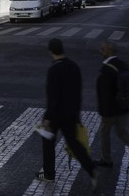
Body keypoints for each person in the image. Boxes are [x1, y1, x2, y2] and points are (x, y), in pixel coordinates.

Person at [35, 37, 97, 190]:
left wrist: (47, 118)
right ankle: (92, 169)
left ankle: (49, 174)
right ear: (62, 49)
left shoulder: (54, 69)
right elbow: (78, 93)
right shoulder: (74, 66)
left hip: (56, 115)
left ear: (50, 51)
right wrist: (77, 116)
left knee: (47, 141)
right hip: (71, 114)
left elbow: (53, 97)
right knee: (74, 144)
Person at [94, 41, 129, 170]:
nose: (101, 51)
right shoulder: (123, 64)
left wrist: (103, 112)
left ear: (108, 51)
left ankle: (106, 159)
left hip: (111, 110)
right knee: (123, 134)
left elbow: (105, 94)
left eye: (103, 49)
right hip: (124, 107)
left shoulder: (107, 69)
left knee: (104, 132)